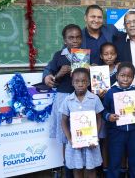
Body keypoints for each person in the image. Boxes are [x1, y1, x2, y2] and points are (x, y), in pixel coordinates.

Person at [44, 5, 135, 87]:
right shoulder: (78, 36)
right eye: (93, 17)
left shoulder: (110, 30)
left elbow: (130, 33)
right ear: (85, 18)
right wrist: (47, 74)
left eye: (99, 17)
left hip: (112, 82)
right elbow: (62, 54)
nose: (96, 20)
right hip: (87, 85)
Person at [43, 24, 82, 177]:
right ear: (65, 40)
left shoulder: (86, 55)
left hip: (82, 98)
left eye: (78, 37)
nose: (75, 40)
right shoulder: (59, 55)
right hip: (64, 98)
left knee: (82, 132)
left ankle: (81, 167)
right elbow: (50, 76)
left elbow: (94, 80)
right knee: (66, 136)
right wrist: (59, 73)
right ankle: (68, 170)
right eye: (71, 38)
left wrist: (92, 70)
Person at [102, 62, 135, 178]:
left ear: (133, 78)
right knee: (115, 161)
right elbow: (104, 110)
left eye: (129, 76)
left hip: (134, 132)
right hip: (116, 132)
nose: (125, 79)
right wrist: (109, 116)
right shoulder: (110, 92)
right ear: (117, 76)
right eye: (122, 75)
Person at [60, 68, 104, 178]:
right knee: (77, 168)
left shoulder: (94, 99)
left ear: (89, 83)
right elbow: (63, 121)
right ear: (72, 83)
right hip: (75, 142)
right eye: (77, 81)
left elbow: (99, 118)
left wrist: (95, 136)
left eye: (84, 81)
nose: (80, 84)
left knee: (91, 168)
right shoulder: (68, 100)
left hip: (91, 142)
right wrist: (70, 139)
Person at [97, 42, 118, 177]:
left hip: (117, 110)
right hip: (103, 110)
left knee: (116, 141)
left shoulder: (120, 69)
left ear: (116, 55)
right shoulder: (97, 72)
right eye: (106, 54)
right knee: (104, 141)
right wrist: (98, 93)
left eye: (112, 54)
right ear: (101, 56)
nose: (109, 56)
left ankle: (120, 169)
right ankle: (105, 168)